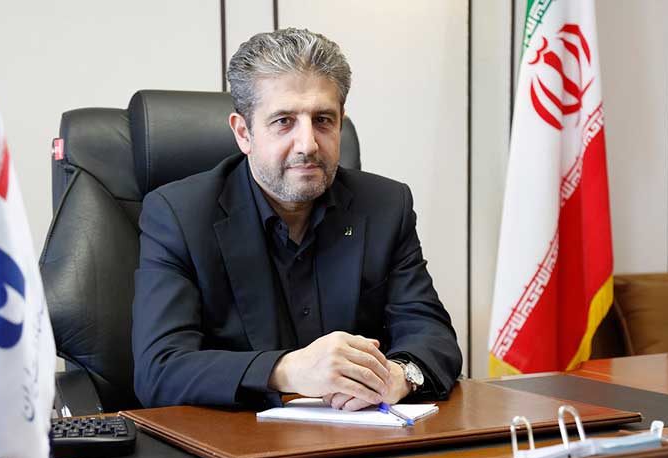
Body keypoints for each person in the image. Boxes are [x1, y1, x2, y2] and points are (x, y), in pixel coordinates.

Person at [132, 28, 462, 411]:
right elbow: (159, 370)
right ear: (243, 132)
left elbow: (433, 335)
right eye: (284, 121)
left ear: (341, 123)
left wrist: (401, 375)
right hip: (238, 439)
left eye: (322, 120)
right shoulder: (178, 215)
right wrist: (287, 370)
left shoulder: (386, 205)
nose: (308, 144)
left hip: (362, 435)